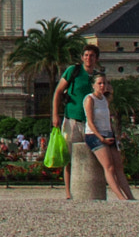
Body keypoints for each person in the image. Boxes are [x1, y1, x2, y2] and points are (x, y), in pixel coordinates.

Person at [51, 45, 100, 199]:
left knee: (92, 154)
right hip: (72, 118)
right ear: (82, 57)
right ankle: (68, 191)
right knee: (69, 156)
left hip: (90, 122)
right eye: (86, 55)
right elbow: (58, 92)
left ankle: (87, 188)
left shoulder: (97, 77)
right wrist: (55, 115)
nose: (88, 58)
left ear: (96, 58)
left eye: (91, 55)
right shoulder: (74, 71)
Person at [81, 75, 136, 200]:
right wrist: (101, 138)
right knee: (109, 166)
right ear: (93, 85)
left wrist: (113, 135)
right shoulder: (90, 99)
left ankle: (130, 196)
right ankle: (120, 197)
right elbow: (90, 121)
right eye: (99, 83)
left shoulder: (105, 100)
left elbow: (110, 97)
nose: (102, 86)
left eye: (104, 83)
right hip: (94, 135)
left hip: (108, 133)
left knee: (119, 167)